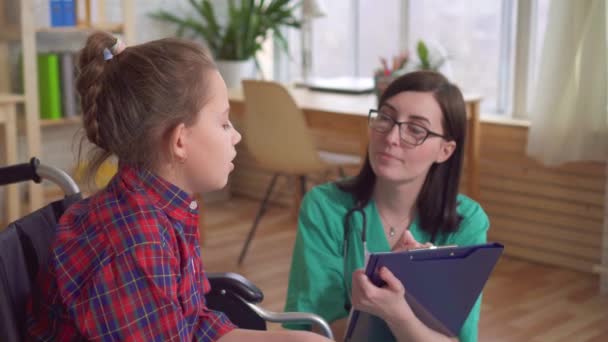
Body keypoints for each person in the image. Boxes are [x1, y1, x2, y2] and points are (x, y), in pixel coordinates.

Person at [26, 32, 329, 342]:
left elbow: (189, 323)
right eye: (224, 123)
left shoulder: (163, 209)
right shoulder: (134, 245)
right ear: (180, 140)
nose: (235, 136)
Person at [284, 71, 490, 341]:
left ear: (445, 151)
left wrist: (397, 313)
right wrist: (375, 305)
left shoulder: (467, 222)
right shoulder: (325, 207)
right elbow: (315, 331)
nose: (392, 137)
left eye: (415, 130)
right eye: (386, 118)